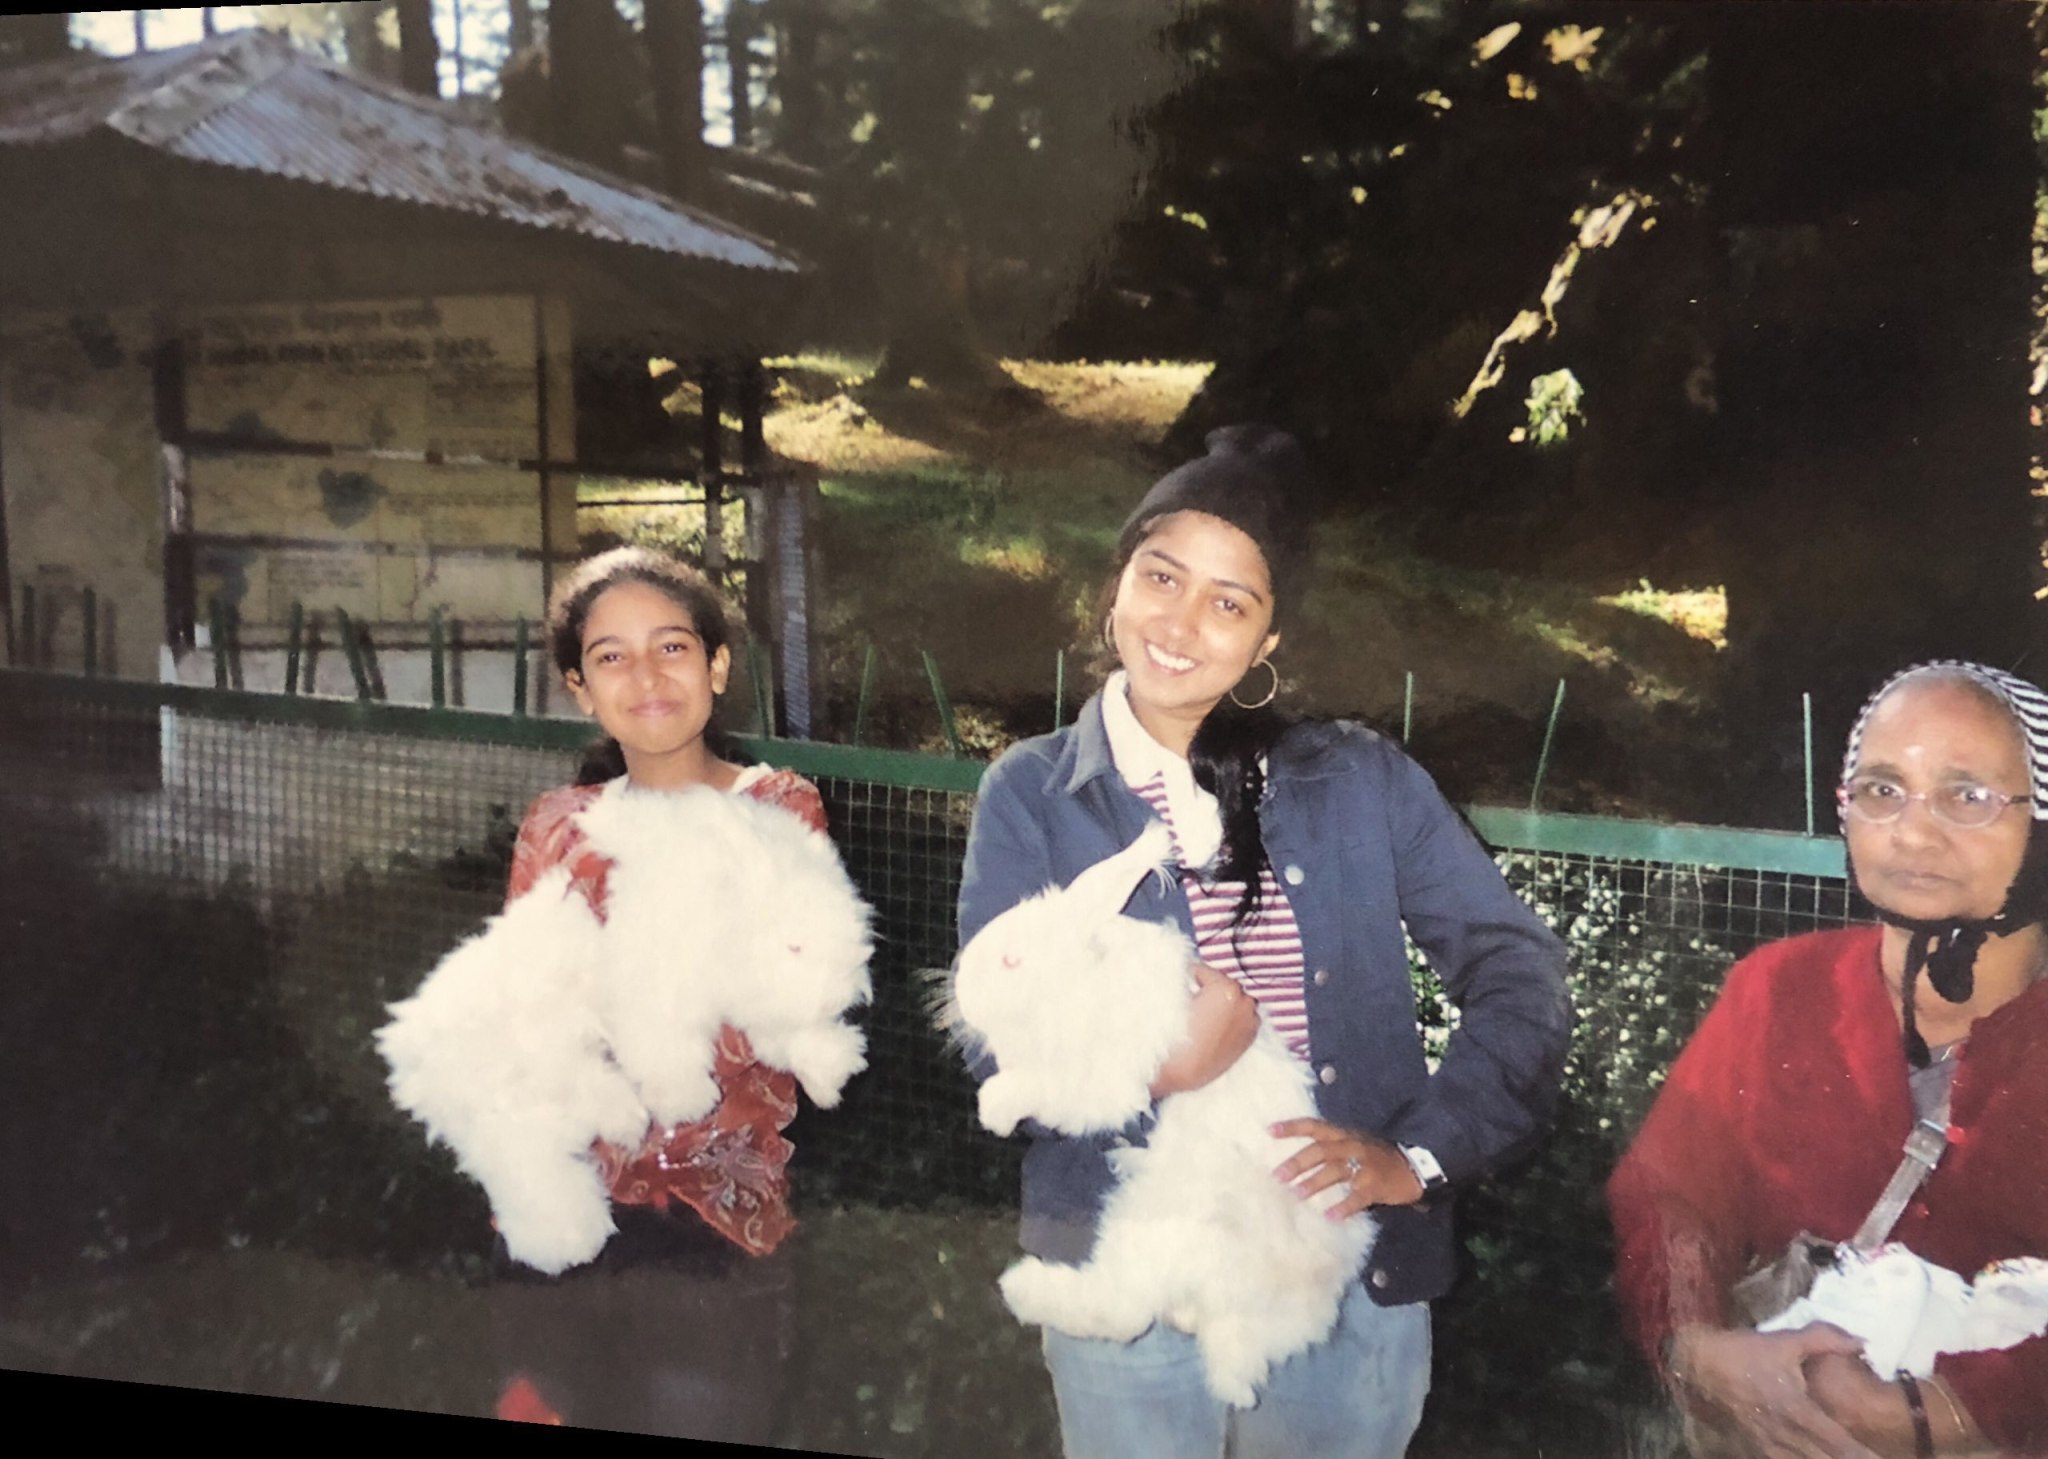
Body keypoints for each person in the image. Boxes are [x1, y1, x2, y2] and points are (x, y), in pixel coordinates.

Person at [956, 424, 1574, 1459]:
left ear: (1269, 640)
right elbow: (990, 1032)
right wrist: (1161, 1068)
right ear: (1115, 583)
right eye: (1160, 576)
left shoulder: (1358, 780)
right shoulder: (1029, 791)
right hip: (1127, 1278)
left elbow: (1519, 973)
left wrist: (1415, 1156)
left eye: (1228, 601)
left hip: (1333, 1281)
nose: (1180, 622)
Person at [1608, 661, 2048, 1459]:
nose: (1912, 830)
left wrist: (1944, 1412)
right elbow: (1667, 1198)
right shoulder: (1778, 990)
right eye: (1882, 789)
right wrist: (1698, 1347)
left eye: (1967, 795)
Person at [486, 545, 827, 1439]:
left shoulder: (779, 808)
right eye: (610, 656)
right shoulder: (552, 823)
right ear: (578, 686)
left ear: (716, 666)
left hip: (708, 1229)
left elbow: (745, 1020)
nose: (645, 674)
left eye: (672, 646)